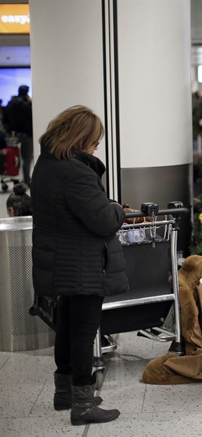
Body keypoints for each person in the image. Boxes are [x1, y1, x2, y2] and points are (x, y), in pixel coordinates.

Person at [31, 106, 125, 425]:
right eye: (94, 141)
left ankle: (64, 394)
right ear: (81, 138)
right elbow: (104, 220)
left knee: (68, 327)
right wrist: (117, 210)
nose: (96, 147)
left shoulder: (46, 164)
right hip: (80, 263)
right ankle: (83, 403)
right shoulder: (75, 172)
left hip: (59, 259)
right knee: (84, 331)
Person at [3, 85, 34, 184]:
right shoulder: (26, 105)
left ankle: (15, 178)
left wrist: (11, 131)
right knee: (27, 158)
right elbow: (32, 117)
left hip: (13, 135)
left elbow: (5, 120)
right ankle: (26, 180)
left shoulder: (10, 104)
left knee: (13, 156)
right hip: (27, 134)